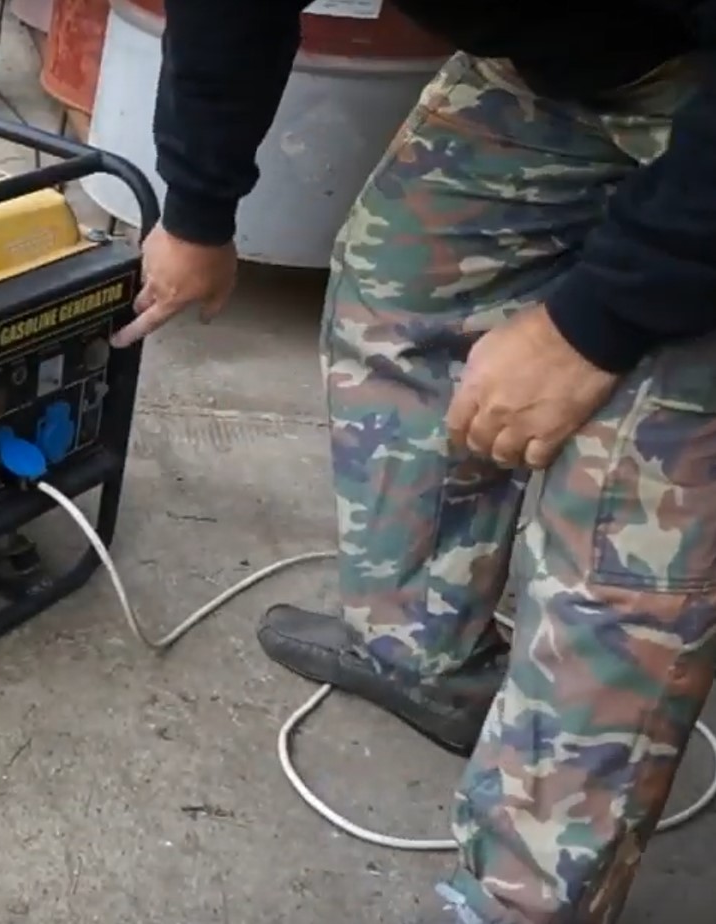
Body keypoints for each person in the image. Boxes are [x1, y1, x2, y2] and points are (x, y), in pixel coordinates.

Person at [109, 2, 716, 923]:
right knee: (396, 299)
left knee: (631, 519)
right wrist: (196, 211)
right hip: (554, 70)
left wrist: (592, 326)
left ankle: (518, 906)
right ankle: (423, 655)